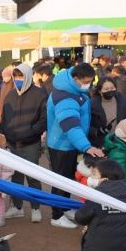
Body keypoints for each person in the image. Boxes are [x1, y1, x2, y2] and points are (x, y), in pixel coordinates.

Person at [47, 63, 105, 229]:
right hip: (61, 146)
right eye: (85, 81)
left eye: (90, 82)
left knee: (66, 180)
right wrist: (86, 147)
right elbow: (70, 125)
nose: (88, 85)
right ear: (75, 78)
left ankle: (64, 207)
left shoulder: (74, 89)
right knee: (60, 181)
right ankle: (56, 215)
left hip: (70, 144)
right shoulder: (65, 97)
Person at [0, 63, 47, 224]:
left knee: (32, 177)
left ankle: (35, 208)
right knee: (15, 177)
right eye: (16, 76)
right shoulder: (11, 95)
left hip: (30, 143)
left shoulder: (39, 94)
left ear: (28, 76)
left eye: (21, 76)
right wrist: (6, 132)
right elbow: (4, 118)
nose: (18, 79)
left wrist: (30, 133)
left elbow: (43, 120)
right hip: (12, 144)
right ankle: (17, 207)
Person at [89, 77, 126, 148]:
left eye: (112, 88)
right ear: (100, 91)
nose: (110, 90)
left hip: (122, 142)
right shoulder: (92, 105)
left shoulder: (123, 102)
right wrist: (97, 131)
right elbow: (87, 125)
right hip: (101, 143)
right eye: (106, 89)